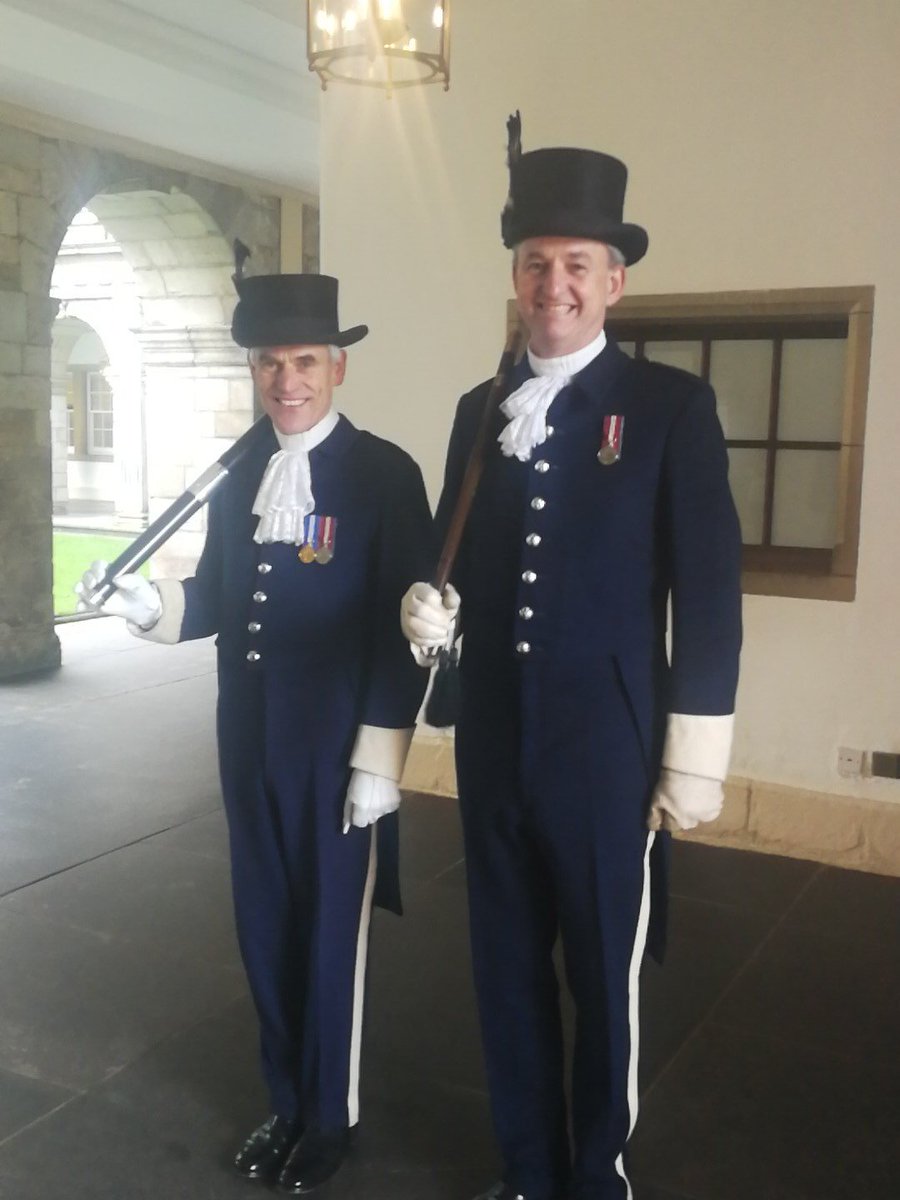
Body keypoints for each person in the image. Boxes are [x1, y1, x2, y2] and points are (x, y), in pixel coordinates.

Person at [401, 115, 742, 1200]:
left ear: (616, 283)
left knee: (606, 981)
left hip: (608, 755)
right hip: (497, 744)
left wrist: (694, 750)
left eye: (578, 265)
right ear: (518, 275)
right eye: (538, 262)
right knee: (504, 976)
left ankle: (597, 1177)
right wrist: (434, 622)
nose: (556, 283)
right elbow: (466, 567)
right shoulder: (477, 410)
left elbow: (712, 590)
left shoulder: (669, 409)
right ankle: (528, 1171)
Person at [79, 259, 432, 1194]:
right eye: (271, 363)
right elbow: (225, 598)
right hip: (249, 744)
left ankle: (329, 1118)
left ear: (338, 367)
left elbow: (409, 628)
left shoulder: (385, 474)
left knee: (328, 939)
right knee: (266, 928)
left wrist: (381, 754)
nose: (288, 380)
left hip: (337, 754)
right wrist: (149, 607)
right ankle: (284, 1099)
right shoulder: (241, 476)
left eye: (306, 360)